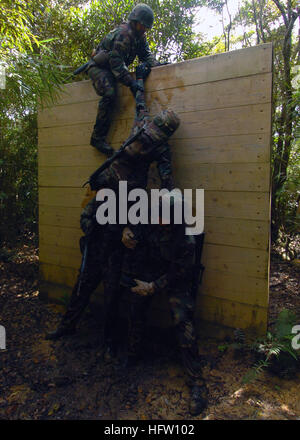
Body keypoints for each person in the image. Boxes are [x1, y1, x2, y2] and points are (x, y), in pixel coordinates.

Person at [45, 68, 180, 342]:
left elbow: (166, 187)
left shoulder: (153, 138)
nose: (152, 137)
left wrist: (139, 223)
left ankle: (107, 340)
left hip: (123, 215)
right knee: (89, 279)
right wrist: (139, 77)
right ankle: (72, 326)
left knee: (111, 285)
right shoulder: (148, 131)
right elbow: (139, 99)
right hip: (109, 208)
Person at [120, 191, 208, 416]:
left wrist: (153, 287)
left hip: (175, 280)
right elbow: (136, 228)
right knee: (134, 303)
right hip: (154, 272)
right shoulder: (153, 220)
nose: (160, 221)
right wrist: (126, 230)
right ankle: (133, 352)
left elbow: (179, 272)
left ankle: (197, 383)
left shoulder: (186, 239)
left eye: (165, 217)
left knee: (182, 321)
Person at [86, 3, 161, 156]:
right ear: (135, 22)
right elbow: (117, 64)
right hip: (99, 68)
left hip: (112, 70)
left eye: (146, 27)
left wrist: (158, 66)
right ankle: (97, 138)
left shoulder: (139, 37)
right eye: (143, 26)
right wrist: (131, 83)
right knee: (109, 93)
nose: (144, 29)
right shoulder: (124, 34)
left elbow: (146, 55)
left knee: (113, 89)